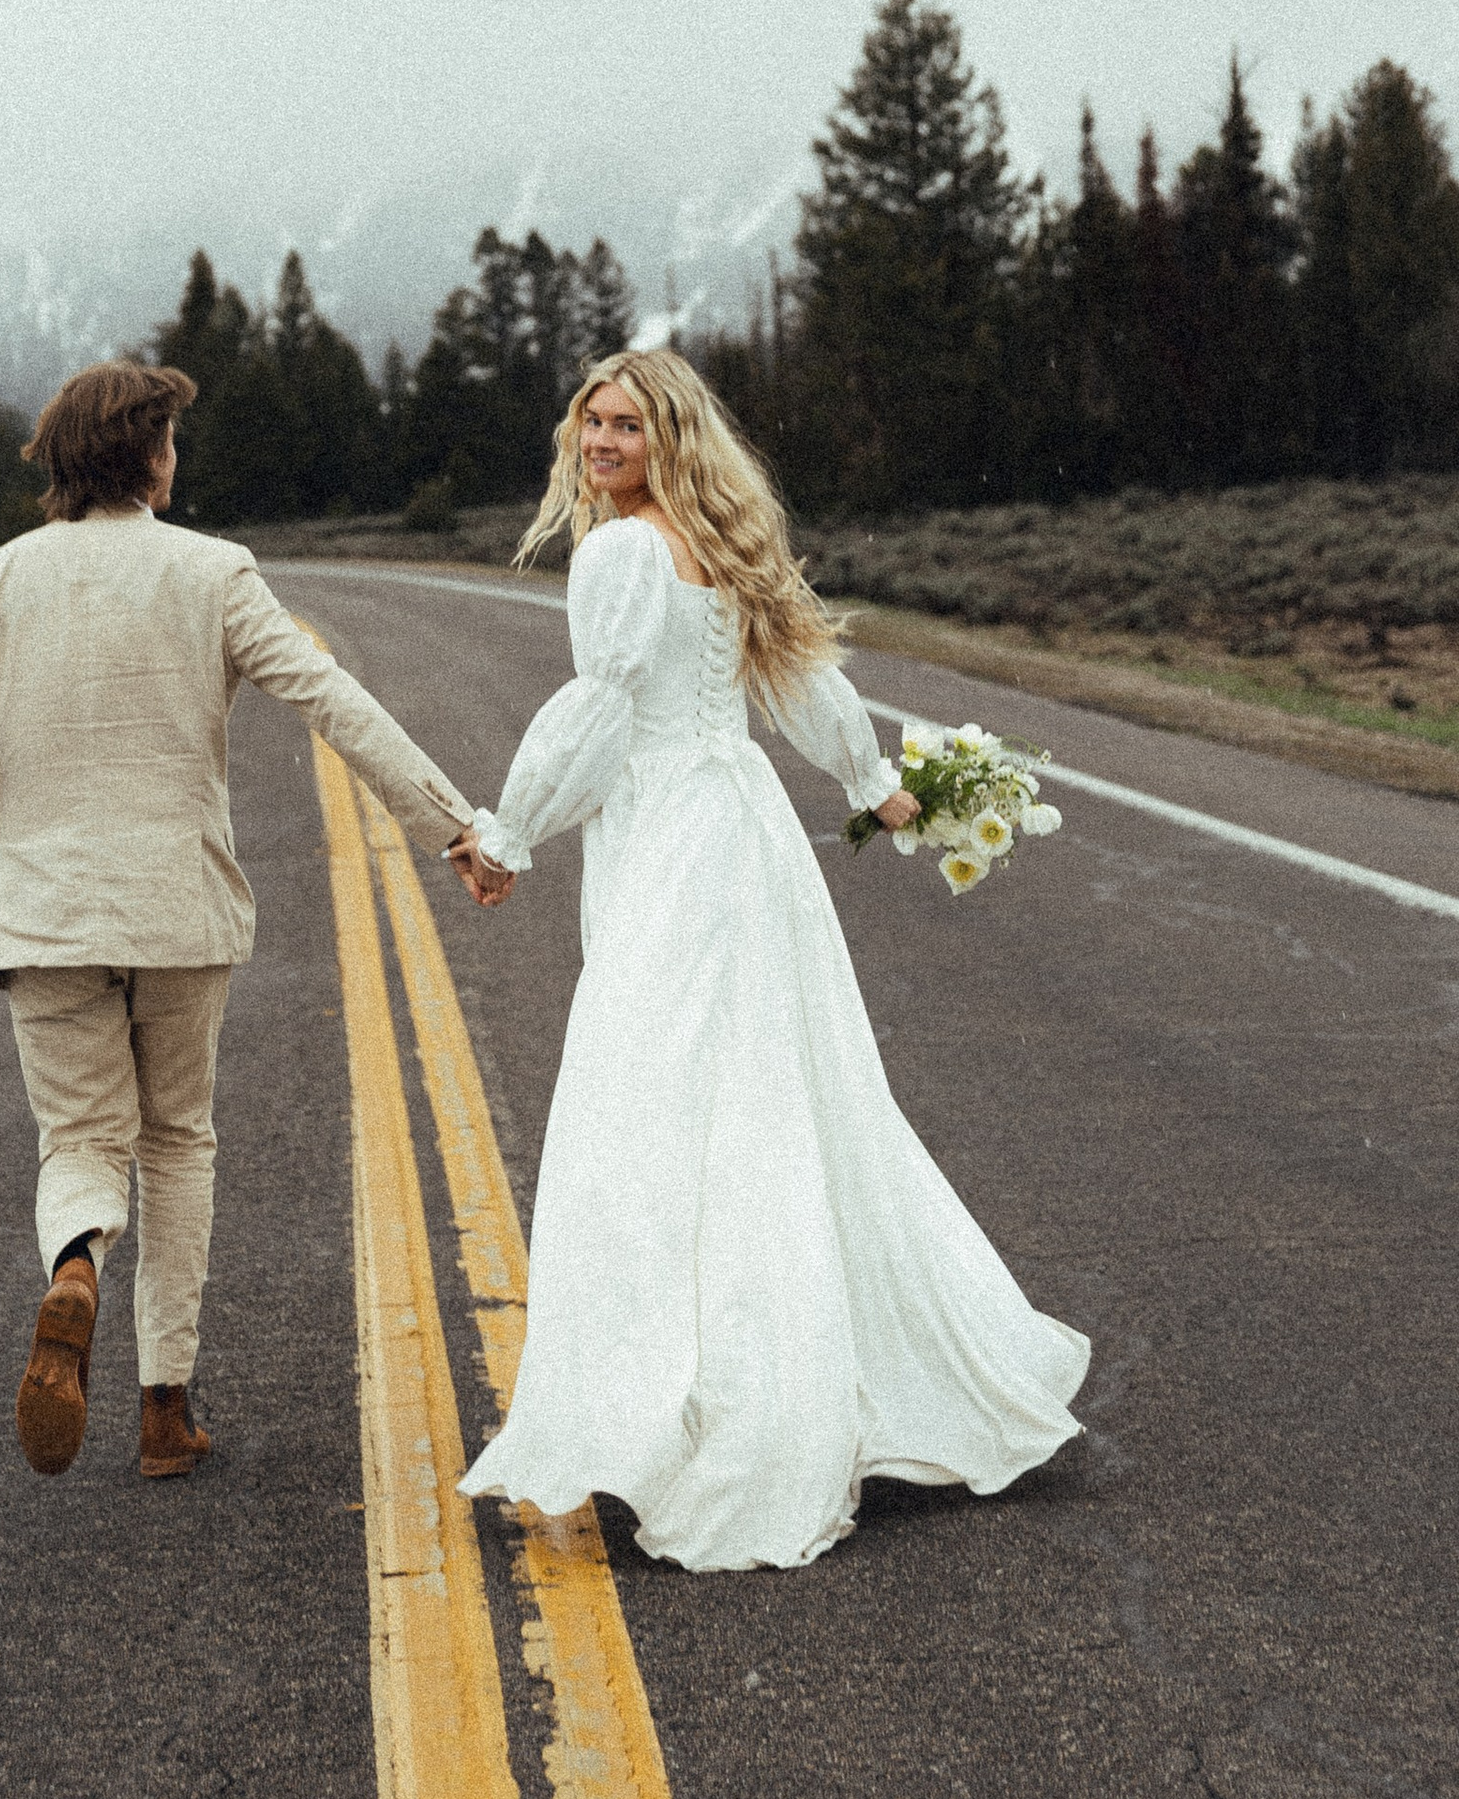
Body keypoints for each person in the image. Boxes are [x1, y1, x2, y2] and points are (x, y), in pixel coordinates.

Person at [446, 347, 1088, 1572]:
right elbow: (798, 682)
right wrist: (871, 781)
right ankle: (777, 1385)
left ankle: (693, 1420)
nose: (601, 443)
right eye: (591, 422)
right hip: (739, 832)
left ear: (669, 435)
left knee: (650, 1114)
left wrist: (510, 831)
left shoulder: (624, 550)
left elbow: (602, 705)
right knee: (773, 1106)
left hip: (677, 841)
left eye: (626, 425)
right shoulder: (717, 542)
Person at [0, 359, 476, 1485]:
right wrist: (448, 822)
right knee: (177, 1142)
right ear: (150, 458)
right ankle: (163, 1411)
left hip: (47, 918)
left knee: (80, 1141)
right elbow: (332, 699)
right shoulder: (214, 572)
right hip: (180, 911)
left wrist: (7, 882)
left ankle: (76, 1262)